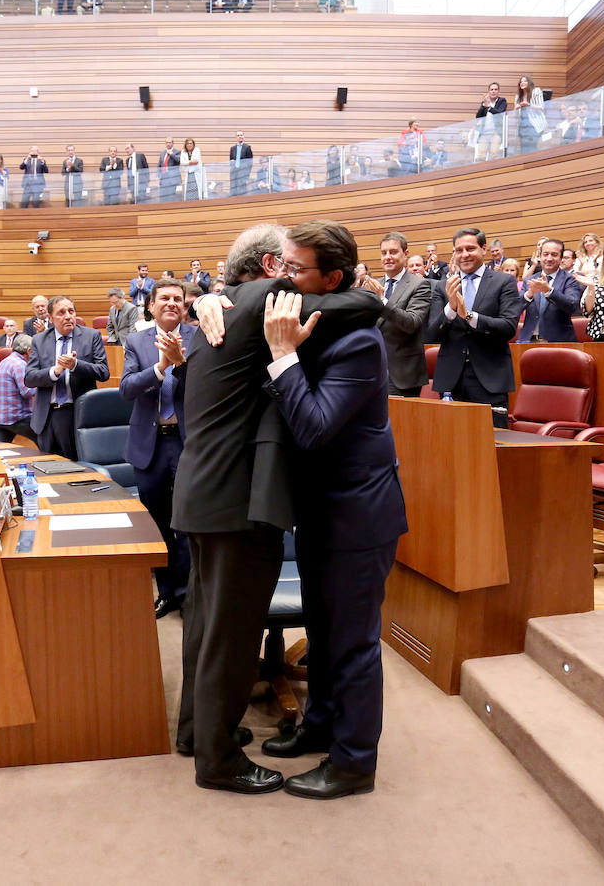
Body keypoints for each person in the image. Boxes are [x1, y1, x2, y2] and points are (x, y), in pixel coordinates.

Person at [172, 221, 386, 794]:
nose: (292, 280)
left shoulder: (222, 313)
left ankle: (198, 732)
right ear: (269, 269)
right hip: (236, 499)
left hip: (204, 491)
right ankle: (217, 760)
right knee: (231, 635)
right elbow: (365, 303)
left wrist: (208, 298)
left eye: (300, 270)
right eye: (286, 268)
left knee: (205, 624)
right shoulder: (266, 302)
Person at [255, 221, 406, 800]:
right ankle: (319, 728)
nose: (284, 279)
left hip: (359, 519)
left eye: (296, 270)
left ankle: (353, 762)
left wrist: (282, 359)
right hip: (321, 512)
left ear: (332, 278)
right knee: (321, 632)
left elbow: (315, 426)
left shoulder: (360, 342)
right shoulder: (322, 326)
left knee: (353, 644)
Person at [119, 279, 195, 617]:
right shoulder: (136, 341)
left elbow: (206, 388)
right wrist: (160, 367)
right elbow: (128, 388)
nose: (171, 303)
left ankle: (191, 593)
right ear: (150, 306)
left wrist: (180, 363)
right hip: (149, 445)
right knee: (158, 522)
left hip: (187, 443)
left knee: (189, 522)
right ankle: (167, 591)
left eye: (177, 298)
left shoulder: (201, 338)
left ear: (185, 306)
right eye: (163, 297)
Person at [426, 227, 522, 425]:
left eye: (470, 249)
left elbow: (509, 327)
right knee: (451, 446)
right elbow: (431, 334)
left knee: (491, 445)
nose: (464, 255)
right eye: (459, 250)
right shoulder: (444, 286)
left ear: (483, 249)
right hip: (451, 379)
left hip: (490, 378)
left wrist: (470, 316)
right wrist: (451, 309)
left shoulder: (504, 282)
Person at [24, 296, 109, 457]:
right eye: (61, 313)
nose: (68, 316)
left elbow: (103, 372)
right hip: (47, 417)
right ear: (50, 318)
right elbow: (29, 378)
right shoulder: (39, 340)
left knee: (78, 469)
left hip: (78, 414)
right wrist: (55, 371)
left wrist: (75, 365)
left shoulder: (91, 336)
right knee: (48, 469)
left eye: (71, 311)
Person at [374, 232, 433, 397]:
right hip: (373, 370)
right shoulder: (374, 284)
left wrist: (382, 301)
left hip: (403, 374)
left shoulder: (419, 284)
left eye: (393, 252)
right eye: (384, 253)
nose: (388, 257)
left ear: (405, 254)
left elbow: (412, 323)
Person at [518, 239, 585, 342]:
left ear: (561, 258)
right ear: (540, 257)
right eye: (545, 254)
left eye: (554, 254)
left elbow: (572, 305)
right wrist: (529, 294)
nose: (549, 258)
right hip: (528, 341)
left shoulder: (570, 279)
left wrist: (549, 291)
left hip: (559, 342)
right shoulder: (529, 280)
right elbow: (514, 308)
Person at [0, 333, 37, 443]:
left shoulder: (5, 361)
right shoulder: (20, 364)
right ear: (29, 351)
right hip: (15, 418)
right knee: (46, 437)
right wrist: (44, 384)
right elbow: (27, 391)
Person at [513, 75, 547, 154]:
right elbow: (515, 111)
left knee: (532, 147)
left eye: (525, 81)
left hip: (534, 124)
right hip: (522, 125)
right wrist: (518, 106)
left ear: (529, 82)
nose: (522, 83)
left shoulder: (536, 91)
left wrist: (528, 105)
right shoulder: (518, 96)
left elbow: (541, 107)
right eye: (521, 82)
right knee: (523, 149)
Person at [474, 81, 507, 160]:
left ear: (498, 91)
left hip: (496, 133)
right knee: (480, 156)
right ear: (489, 91)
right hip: (484, 133)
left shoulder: (502, 101)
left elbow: (500, 113)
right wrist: (484, 105)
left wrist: (489, 107)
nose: (493, 91)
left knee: (494, 154)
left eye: (495, 89)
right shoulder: (485, 102)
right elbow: (478, 117)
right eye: (491, 89)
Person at [229, 131, 253, 197]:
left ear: (243, 136)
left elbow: (250, 163)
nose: (240, 136)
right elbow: (231, 161)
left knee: (242, 191)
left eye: (241, 135)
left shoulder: (247, 147)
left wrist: (247, 175)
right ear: (236, 137)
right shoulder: (232, 148)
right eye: (238, 135)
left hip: (243, 173)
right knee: (233, 190)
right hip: (234, 172)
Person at [157, 137, 181, 202]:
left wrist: (171, 154)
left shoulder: (177, 152)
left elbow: (178, 160)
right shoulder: (162, 153)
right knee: (162, 197)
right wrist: (158, 174)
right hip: (163, 178)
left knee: (171, 197)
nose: (168, 144)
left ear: (173, 143)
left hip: (172, 179)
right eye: (167, 142)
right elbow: (159, 165)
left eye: (169, 142)